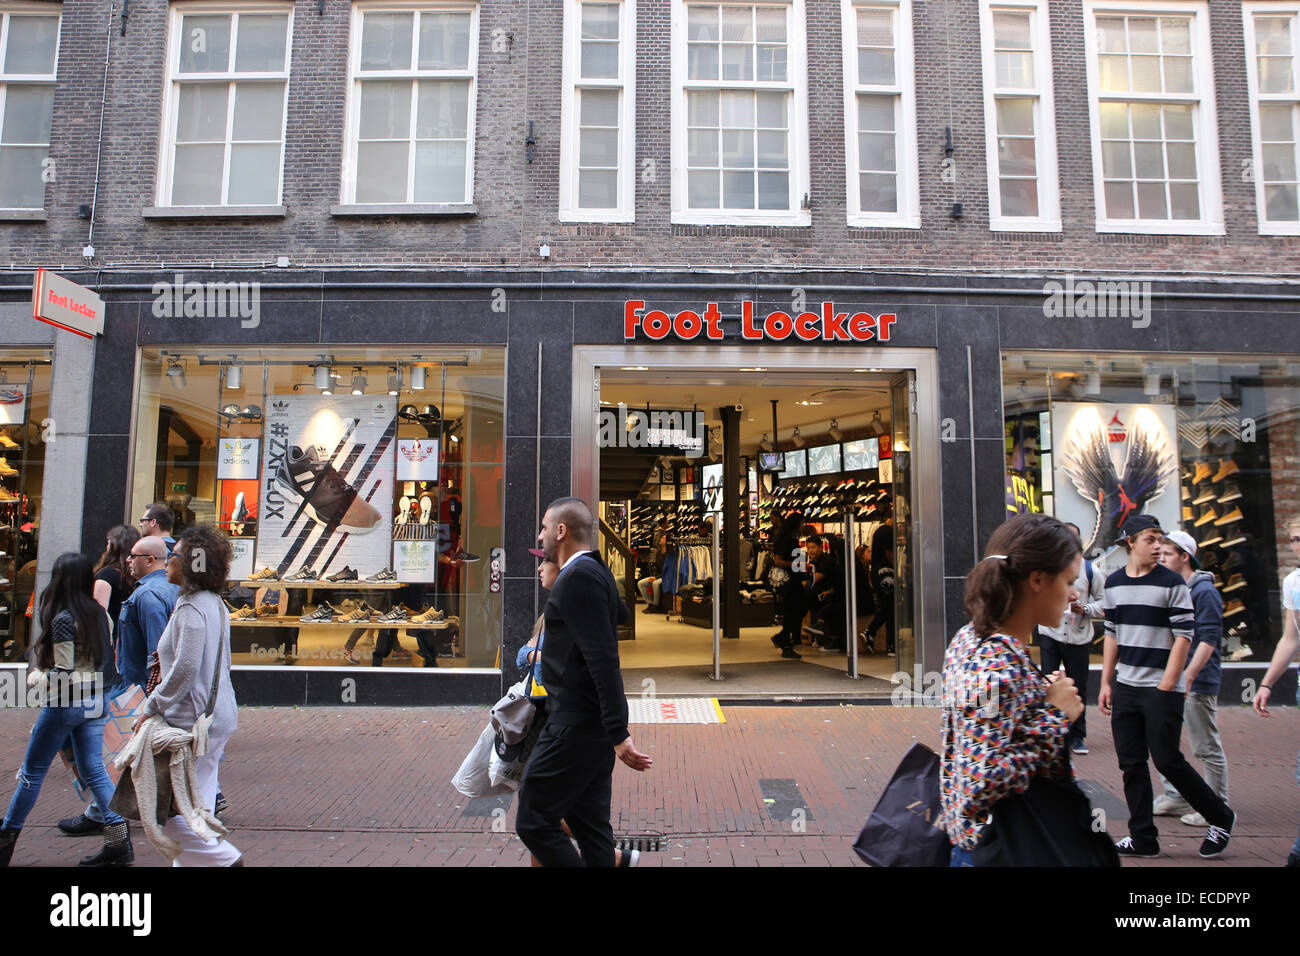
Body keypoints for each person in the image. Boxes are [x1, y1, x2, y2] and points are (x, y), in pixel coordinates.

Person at [940, 514, 1084, 866]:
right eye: (1068, 581)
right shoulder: (995, 663)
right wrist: (1053, 717)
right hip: (999, 848)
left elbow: (986, 728)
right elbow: (982, 780)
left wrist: (1036, 700)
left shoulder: (971, 638)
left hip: (989, 843)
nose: (1073, 594)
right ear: (1037, 579)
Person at [516, 497, 652, 867]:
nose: (541, 535)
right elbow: (619, 613)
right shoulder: (594, 571)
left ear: (561, 531)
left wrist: (619, 733)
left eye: (544, 527)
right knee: (591, 831)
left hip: (574, 725)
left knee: (533, 820)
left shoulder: (579, 578)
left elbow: (603, 659)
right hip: (588, 729)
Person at [1099, 514, 1236, 859]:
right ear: (1129, 541)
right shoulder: (1114, 583)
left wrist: (1167, 684)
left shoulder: (1173, 583)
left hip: (1162, 688)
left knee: (1167, 760)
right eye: (1150, 539)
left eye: (1160, 539)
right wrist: (1105, 681)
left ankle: (1220, 816)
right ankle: (1143, 837)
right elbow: (1112, 635)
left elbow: (1184, 637)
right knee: (1131, 763)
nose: (1158, 546)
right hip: (1126, 685)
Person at [0, 553, 133, 868]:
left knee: (32, 772)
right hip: (97, 700)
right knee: (94, 770)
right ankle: (119, 844)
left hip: (67, 702)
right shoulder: (101, 615)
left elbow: (64, 671)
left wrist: (37, 679)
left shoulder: (63, 619)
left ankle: (7, 837)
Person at [136, 525, 242, 866]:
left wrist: (151, 706)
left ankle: (224, 859)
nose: (168, 561)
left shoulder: (191, 609)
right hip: (215, 717)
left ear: (193, 563)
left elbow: (184, 670)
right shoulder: (216, 605)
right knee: (201, 801)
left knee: (177, 810)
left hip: (193, 721)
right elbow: (222, 664)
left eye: (175, 555)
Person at [58, 524, 143, 837]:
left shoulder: (106, 576)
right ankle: (111, 819)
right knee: (114, 738)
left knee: (94, 748)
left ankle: (105, 816)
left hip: (108, 665)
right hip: (124, 661)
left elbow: (97, 617)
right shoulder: (134, 580)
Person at [1153, 530, 1227, 827]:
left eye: (1168, 554)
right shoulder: (1175, 588)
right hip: (1173, 676)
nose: (1162, 557)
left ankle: (1216, 804)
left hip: (1197, 679)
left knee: (1205, 745)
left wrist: (1189, 675)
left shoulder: (1203, 591)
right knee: (1163, 739)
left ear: (1185, 557)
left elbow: (1209, 638)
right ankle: (1176, 795)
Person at [1253, 515, 1300, 867]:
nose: (1298, 545)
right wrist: (1267, 682)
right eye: (1295, 539)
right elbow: (1291, 637)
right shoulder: (1293, 582)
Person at [1036, 521, 1104, 755]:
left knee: (1078, 686)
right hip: (1050, 633)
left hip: (1078, 637)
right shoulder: (1047, 568)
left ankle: (1077, 736)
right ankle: (1050, 734)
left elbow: (1105, 602)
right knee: (1048, 682)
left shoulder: (1090, 571)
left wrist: (1084, 608)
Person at [116, 535, 179, 692]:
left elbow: (156, 654)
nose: (128, 560)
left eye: (133, 556)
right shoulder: (173, 587)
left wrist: (152, 696)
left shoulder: (147, 594)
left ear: (149, 560)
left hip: (141, 691)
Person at [770, 511, 806, 659]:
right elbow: (777, 560)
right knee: (793, 611)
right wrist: (795, 563)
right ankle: (784, 641)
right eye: (802, 523)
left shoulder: (791, 538)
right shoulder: (785, 539)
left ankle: (784, 638)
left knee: (798, 610)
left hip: (795, 579)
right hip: (788, 580)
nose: (803, 526)